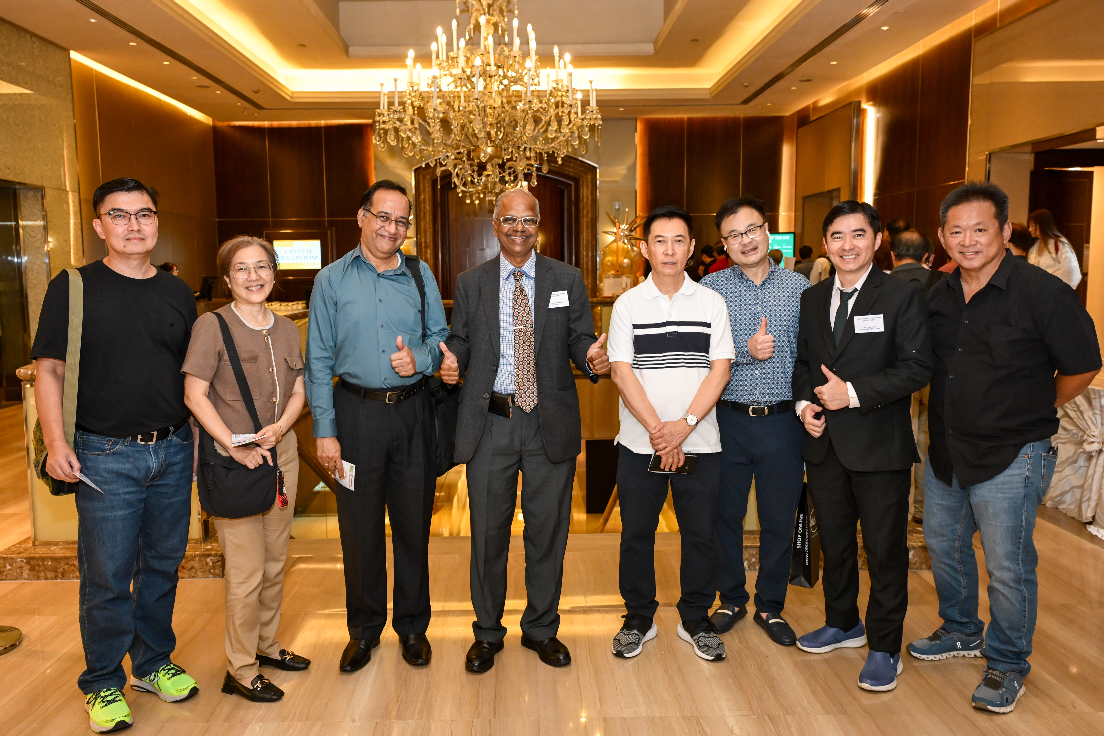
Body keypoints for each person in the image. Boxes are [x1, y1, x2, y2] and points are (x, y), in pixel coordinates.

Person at [909, 182, 1101, 713]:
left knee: (1008, 565)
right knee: (944, 546)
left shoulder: (1043, 292)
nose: (968, 240)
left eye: (980, 229)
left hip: (1014, 452)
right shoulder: (939, 294)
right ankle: (961, 628)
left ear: (1005, 230)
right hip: (948, 449)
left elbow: (1084, 364)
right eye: (957, 231)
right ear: (943, 237)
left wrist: (1036, 406)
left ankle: (1008, 662)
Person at [32, 178, 200, 733]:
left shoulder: (176, 291)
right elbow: (49, 370)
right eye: (119, 215)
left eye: (144, 214)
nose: (133, 225)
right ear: (99, 225)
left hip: (172, 448)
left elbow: (188, 376)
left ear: (156, 222)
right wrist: (57, 443)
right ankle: (103, 681)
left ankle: (151, 664)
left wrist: (195, 441)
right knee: (106, 576)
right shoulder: (73, 287)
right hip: (103, 454)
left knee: (162, 565)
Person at [439, 187, 609, 673]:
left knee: (547, 532)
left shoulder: (566, 278)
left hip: (548, 422)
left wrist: (591, 358)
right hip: (490, 422)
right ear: (495, 226)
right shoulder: (471, 282)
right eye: (510, 220)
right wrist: (452, 364)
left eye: (528, 220)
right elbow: (460, 340)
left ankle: (541, 629)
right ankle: (487, 633)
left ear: (539, 226)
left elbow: (580, 338)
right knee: (487, 534)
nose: (519, 228)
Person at [305, 179, 448, 673]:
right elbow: (318, 360)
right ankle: (364, 632)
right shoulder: (331, 280)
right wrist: (324, 430)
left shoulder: (420, 274)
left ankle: (412, 627)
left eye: (401, 221)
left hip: (412, 414)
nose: (392, 228)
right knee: (359, 529)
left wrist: (421, 360)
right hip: (355, 416)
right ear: (362, 217)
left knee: (413, 524)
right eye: (383, 217)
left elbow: (441, 338)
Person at [792, 200, 931, 692]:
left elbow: (917, 368)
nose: (847, 245)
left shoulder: (901, 295)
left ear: (876, 241)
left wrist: (850, 394)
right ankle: (842, 622)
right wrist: (804, 406)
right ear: (825, 244)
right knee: (835, 543)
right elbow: (804, 363)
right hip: (824, 444)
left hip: (879, 447)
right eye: (837, 236)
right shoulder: (813, 298)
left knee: (884, 549)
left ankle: (885, 646)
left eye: (857, 235)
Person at [183, 236, 310, 703]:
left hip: (281, 455)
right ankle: (240, 668)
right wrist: (233, 445)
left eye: (262, 267)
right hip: (235, 462)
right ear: (227, 278)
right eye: (242, 268)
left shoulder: (287, 328)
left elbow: (299, 389)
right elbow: (194, 395)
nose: (254, 277)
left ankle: (266, 645)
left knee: (276, 562)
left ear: (274, 273)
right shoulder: (212, 326)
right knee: (246, 572)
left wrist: (281, 427)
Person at [607, 205, 734, 662]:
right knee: (637, 534)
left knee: (700, 535)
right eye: (660, 241)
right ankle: (638, 617)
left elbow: (720, 370)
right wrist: (661, 433)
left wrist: (685, 427)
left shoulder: (711, 303)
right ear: (645, 248)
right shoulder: (627, 304)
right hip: (639, 443)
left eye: (679, 241)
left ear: (692, 247)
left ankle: (695, 617)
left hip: (700, 441)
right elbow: (621, 372)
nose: (669, 250)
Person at [700, 198, 809, 647]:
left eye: (751, 230)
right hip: (727, 419)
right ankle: (731, 598)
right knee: (723, 515)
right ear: (724, 244)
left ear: (766, 231)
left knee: (778, 517)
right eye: (734, 235)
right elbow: (701, 357)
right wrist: (746, 351)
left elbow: (808, 356)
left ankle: (770, 604)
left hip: (783, 423)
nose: (745, 240)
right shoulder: (710, 290)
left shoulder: (800, 287)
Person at [1027, 209, 1081, 288]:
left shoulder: (1060, 244)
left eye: (1032, 225)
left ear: (1042, 225)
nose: (1030, 229)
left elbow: (1070, 271)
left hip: (1054, 291)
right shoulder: (1034, 247)